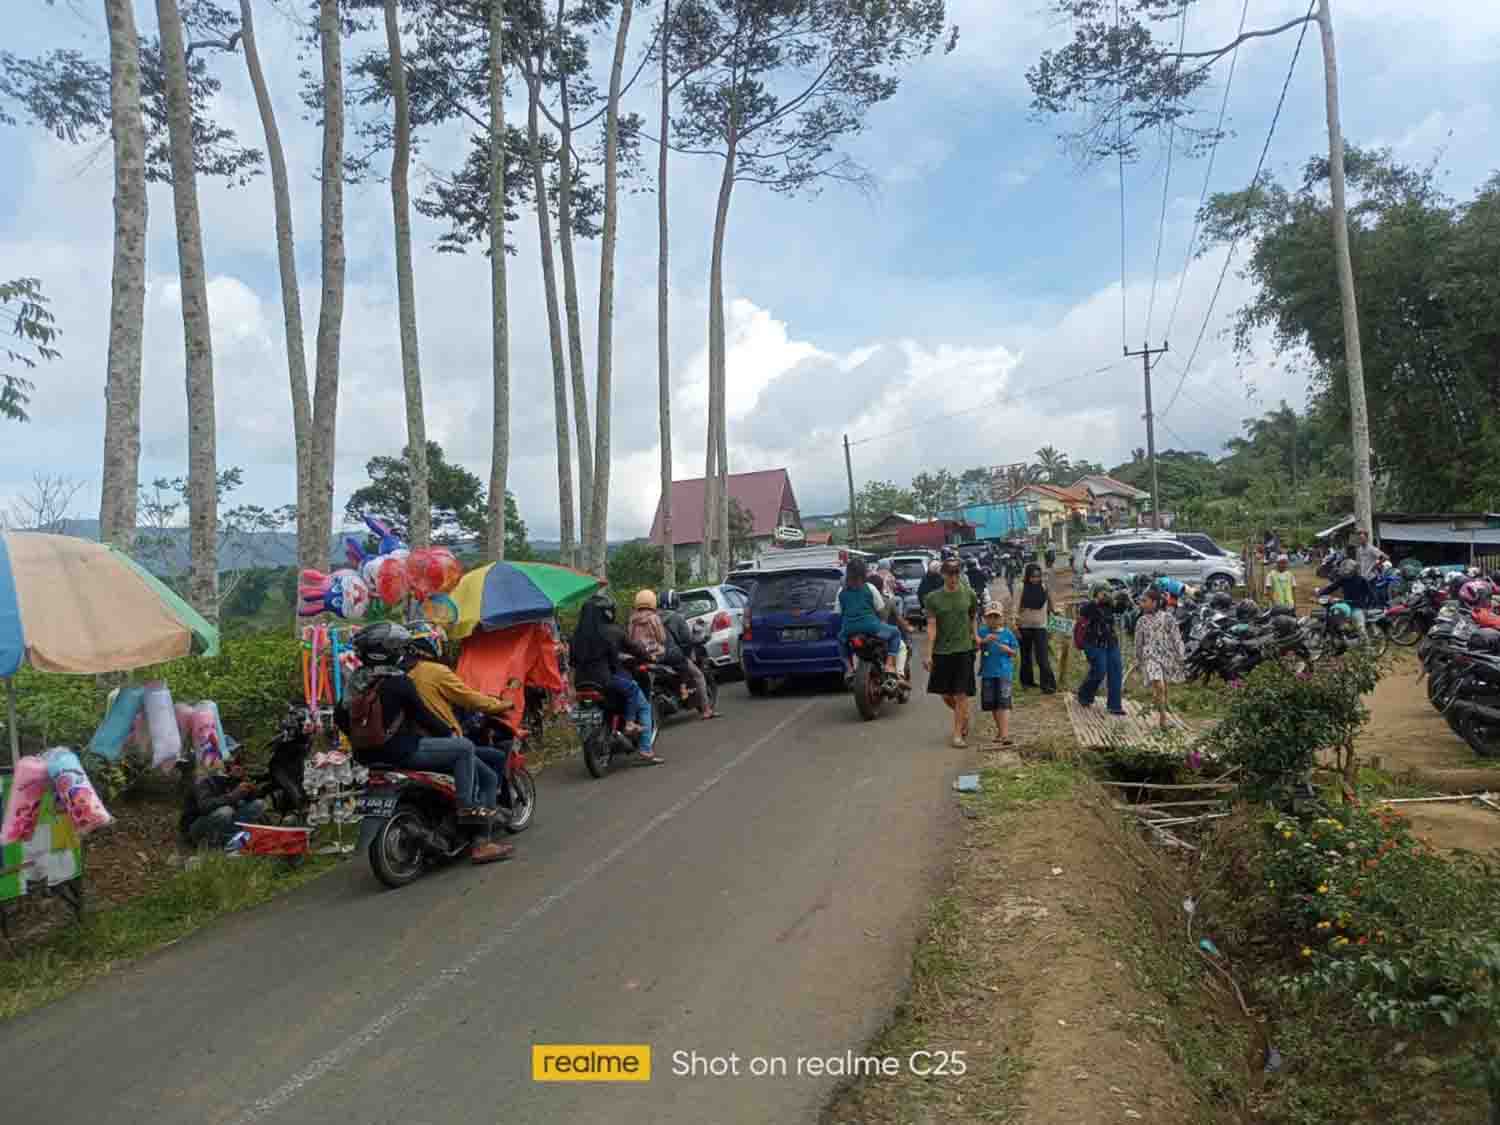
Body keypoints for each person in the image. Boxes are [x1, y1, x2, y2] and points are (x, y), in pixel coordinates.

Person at [337, 622, 509, 863]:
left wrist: (364, 740)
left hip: (367, 758)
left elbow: (340, 717)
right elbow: (424, 716)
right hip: (401, 753)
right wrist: (448, 734)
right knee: (464, 749)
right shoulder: (399, 681)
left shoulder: (354, 682)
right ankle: (472, 820)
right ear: (388, 650)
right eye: (397, 646)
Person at [405, 631, 520, 814]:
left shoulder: (399, 675)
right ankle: (481, 826)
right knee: (491, 770)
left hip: (408, 744)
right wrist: (498, 705)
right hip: (438, 741)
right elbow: (468, 697)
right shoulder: (434, 671)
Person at [571, 593, 661, 762]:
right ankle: (643, 745)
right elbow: (631, 651)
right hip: (605, 680)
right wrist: (650, 658)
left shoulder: (576, 635)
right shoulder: (611, 631)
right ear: (607, 612)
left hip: (581, 683)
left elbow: (572, 662)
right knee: (639, 698)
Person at [923, 556, 979, 747]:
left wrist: (975, 635)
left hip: (964, 649)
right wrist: (928, 654)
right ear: (943, 574)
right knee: (946, 695)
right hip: (942, 651)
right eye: (950, 574)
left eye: (956, 573)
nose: (954, 577)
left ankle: (957, 734)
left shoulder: (969, 594)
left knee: (960, 693)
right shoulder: (932, 599)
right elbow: (931, 627)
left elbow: (973, 616)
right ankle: (963, 715)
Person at [179, 758, 267, 848]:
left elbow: (252, 800)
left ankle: (231, 838)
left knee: (259, 805)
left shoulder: (231, 780)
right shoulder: (204, 781)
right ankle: (212, 844)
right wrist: (233, 796)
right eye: (229, 764)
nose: (235, 768)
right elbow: (205, 806)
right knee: (226, 811)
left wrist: (250, 788)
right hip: (196, 827)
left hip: (223, 823)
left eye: (235, 765)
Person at [839, 558, 902, 679]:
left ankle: (849, 669)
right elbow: (881, 611)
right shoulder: (870, 588)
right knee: (895, 633)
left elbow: (839, 614)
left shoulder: (842, 591)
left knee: (841, 641)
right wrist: (880, 621)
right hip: (871, 627)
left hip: (849, 630)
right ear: (864, 573)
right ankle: (889, 664)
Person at [657, 593, 717, 718]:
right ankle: (706, 710)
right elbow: (687, 640)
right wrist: (699, 641)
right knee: (699, 676)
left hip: (654, 656)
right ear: (675, 603)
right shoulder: (677, 618)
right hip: (673, 656)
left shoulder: (653, 618)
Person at [1134, 587, 1186, 730]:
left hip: (1166, 656)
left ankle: (1161, 709)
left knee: (1163, 687)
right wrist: (1138, 659)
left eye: (1145, 601)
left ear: (1155, 602)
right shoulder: (1141, 621)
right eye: (1141, 601)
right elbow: (1138, 642)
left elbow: (1176, 637)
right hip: (1150, 657)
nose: (1142, 604)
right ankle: (1163, 720)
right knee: (1159, 686)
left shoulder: (1168, 618)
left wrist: (1180, 654)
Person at [1076, 582, 1126, 716]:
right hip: (1093, 644)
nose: (1106, 595)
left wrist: (1123, 598)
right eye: (1104, 592)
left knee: (1116, 672)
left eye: (1108, 592)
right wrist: (1096, 600)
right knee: (1099, 671)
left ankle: (1115, 706)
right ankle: (1084, 694)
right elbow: (1084, 612)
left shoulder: (1110, 605)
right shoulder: (1089, 605)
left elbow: (1121, 608)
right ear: (1097, 592)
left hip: (1110, 643)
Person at [977, 602, 1018, 746]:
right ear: (985, 618)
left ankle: (1006, 735)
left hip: (1004, 673)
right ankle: (1000, 732)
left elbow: (1014, 652)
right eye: (990, 617)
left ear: (1002, 618)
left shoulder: (1008, 633)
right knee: (992, 704)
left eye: (996, 617)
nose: (993, 620)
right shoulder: (982, 632)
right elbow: (975, 646)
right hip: (988, 673)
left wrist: (1007, 649)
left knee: (1004, 703)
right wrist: (983, 641)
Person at [1016, 562, 1058, 694]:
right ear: (1027, 576)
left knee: (1043, 657)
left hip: (1041, 626)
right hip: (1024, 626)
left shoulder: (1044, 587)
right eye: (1033, 576)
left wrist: (1056, 612)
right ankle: (1027, 682)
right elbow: (1015, 606)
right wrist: (1014, 624)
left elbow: (1051, 604)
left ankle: (1048, 685)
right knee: (1026, 657)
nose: (1035, 579)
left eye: (1038, 576)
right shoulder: (1021, 587)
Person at [1319, 558, 1374, 637]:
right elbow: (1332, 587)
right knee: (1334, 616)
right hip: (1346, 604)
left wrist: (1367, 606)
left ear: (1354, 570)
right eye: (1344, 569)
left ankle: (1367, 645)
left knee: (1360, 627)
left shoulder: (1362, 580)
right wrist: (1321, 593)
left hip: (1357, 606)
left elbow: (1371, 594)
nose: (1345, 571)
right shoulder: (1343, 579)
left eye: (1348, 569)